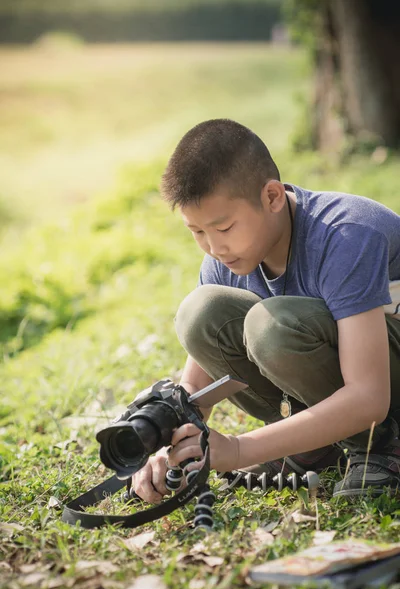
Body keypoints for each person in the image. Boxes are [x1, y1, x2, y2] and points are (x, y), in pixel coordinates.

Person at [131, 118, 400, 503]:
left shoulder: (348, 234)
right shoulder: (225, 258)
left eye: (223, 227)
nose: (213, 247)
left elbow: (370, 395)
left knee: (271, 326)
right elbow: (195, 390)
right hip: (358, 377)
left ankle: (381, 446)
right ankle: (314, 448)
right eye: (197, 232)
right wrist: (162, 447)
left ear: (272, 197)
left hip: (384, 383)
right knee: (201, 313)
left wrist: (241, 450)